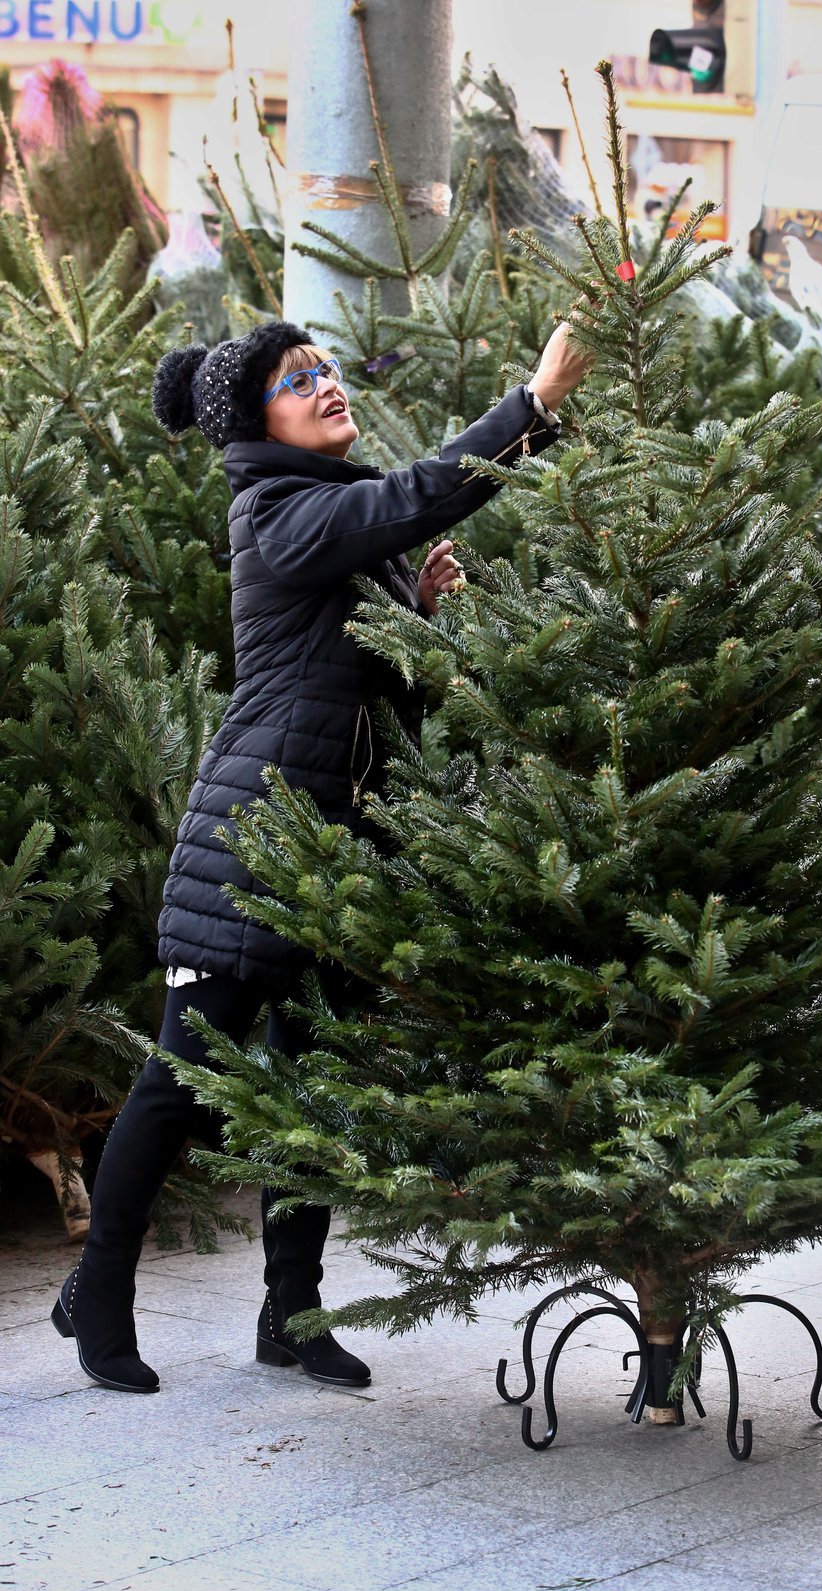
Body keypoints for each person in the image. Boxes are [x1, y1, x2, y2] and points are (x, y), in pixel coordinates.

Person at [52, 316, 591, 1394]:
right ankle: (98, 1293)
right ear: (258, 422)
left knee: (315, 1077)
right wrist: (531, 409)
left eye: (327, 370)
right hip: (252, 837)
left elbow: (366, 690)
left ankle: (291, 1313)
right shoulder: (277, 512)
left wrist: (424, 611)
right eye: (299, 381)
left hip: (340, 850)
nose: (327, 386)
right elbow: (414, 495)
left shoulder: (340, 528)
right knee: (182, 1077)